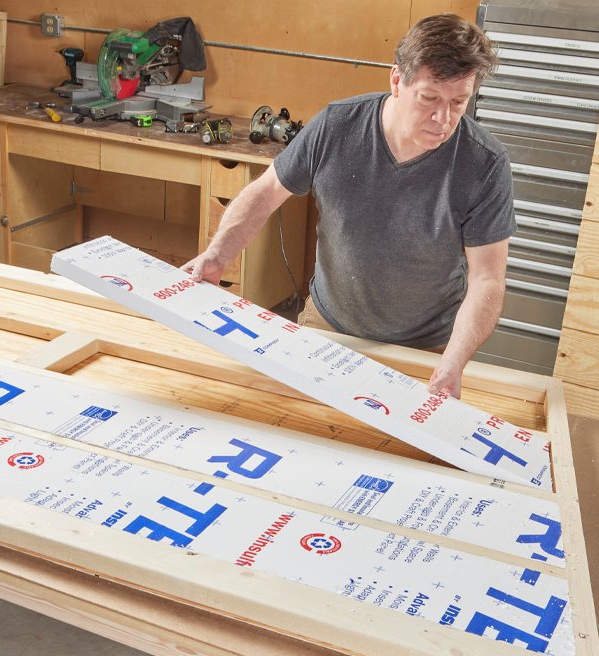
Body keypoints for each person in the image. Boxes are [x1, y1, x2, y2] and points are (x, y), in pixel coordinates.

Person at [182, 14, 514, 399]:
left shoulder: (485, 163)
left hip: (429, 347)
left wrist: (453, 362)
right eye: (429, 99)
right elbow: (267, 191)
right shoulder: (337, 127)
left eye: (459, 103)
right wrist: (217, 254)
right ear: (396, 80)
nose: (444, 120)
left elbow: (487, 278)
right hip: (329, 324)